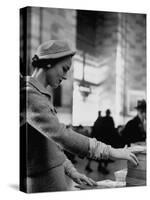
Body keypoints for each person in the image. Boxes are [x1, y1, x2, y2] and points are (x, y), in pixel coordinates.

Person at [20, 40, 138, 193]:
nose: (66, 76)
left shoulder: (40, 95)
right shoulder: (30, 95)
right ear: (49, 63)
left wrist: (72, 172)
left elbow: (51, 144)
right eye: (64, 69)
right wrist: (111, 151)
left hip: (52, 180)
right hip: (41, 184)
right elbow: (62, 136)